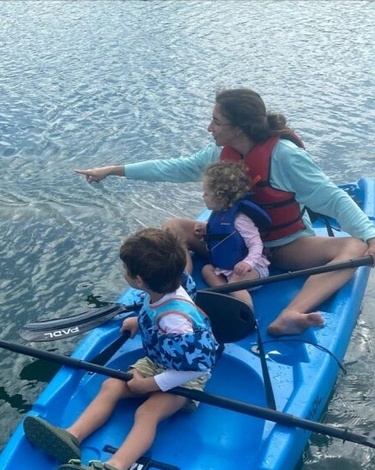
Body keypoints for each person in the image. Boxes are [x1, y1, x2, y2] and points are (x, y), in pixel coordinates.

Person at [76, 88, 375, 336]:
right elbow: (174, 167)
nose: (210, 127)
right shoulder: (218, 153)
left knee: (355, 246)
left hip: (283, 246)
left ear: (239, 128)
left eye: (216, 121)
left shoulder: (286, 157)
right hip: (232, 243)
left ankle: (291, 313)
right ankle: (177, 296)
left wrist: (371, 236)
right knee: (174, 227)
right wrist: (113, 171)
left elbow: (333, 199)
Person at [23, 228, 219, 470]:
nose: (124, 272)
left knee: (147, 413)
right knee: (112, 386)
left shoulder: (176, 321)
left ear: (138, 280)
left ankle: (116, 469)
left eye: (126, 269)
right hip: (158, 360)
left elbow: (196, 367)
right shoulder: (169, 286)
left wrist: (149, 385)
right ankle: (72, 436)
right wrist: (139, 320)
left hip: (184, 378)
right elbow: (158, 309)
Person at [197, 161, 271, 309]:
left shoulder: (240, 219)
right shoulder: (218, 215)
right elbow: (221, 234)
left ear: (221, 196)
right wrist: (204, 230)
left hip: (251, 269)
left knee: (235, 282)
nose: (203, 195)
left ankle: (247, 311)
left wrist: (247, 263)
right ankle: (225, 292)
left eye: (207, 192)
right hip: (226, 269)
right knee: (207, 270)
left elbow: (256, 244)